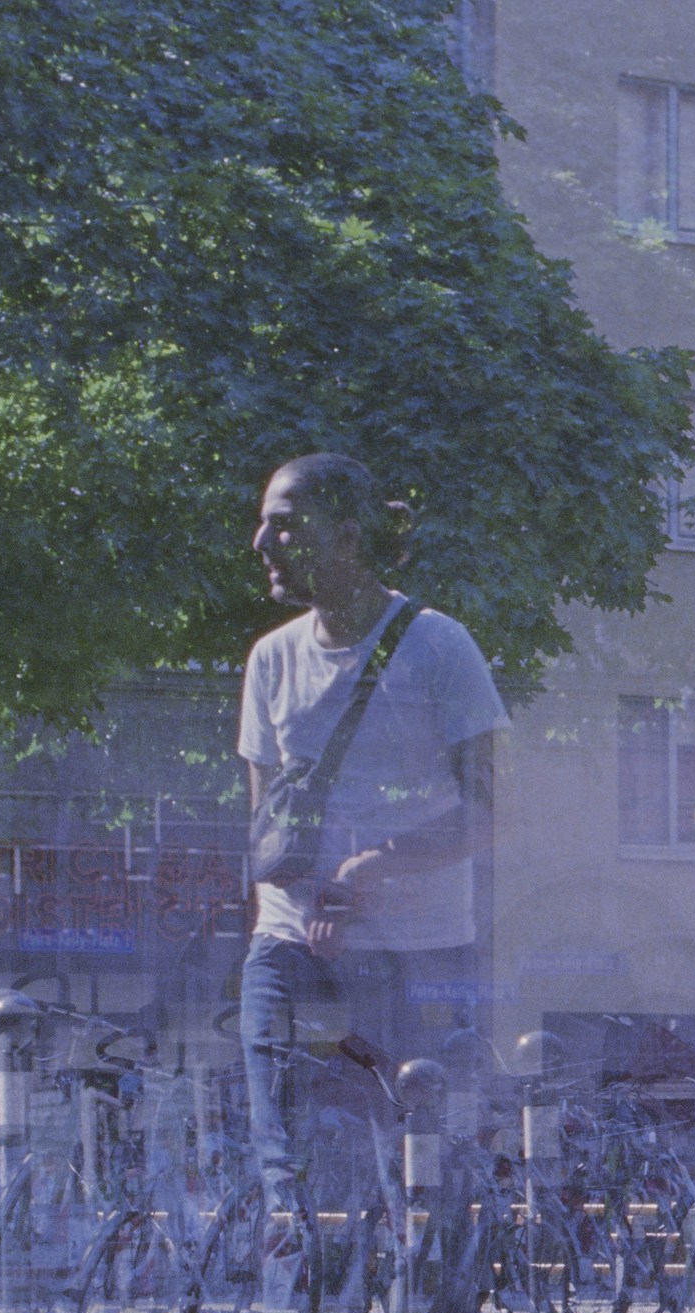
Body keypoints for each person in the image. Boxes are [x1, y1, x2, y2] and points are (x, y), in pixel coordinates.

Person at [236, 454, 506, 1236]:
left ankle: (431, 1305)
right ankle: (289, 1309)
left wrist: (370, 871)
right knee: (276, 1144)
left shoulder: (438, 648)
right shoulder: (272, 658)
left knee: (417, 1152)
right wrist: (307, 896)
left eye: (285, 526)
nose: (263, 543)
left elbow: (493, 810)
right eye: (264, 523)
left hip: (414, 948)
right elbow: (266, 821)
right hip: (292, 940)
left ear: (347, 538)